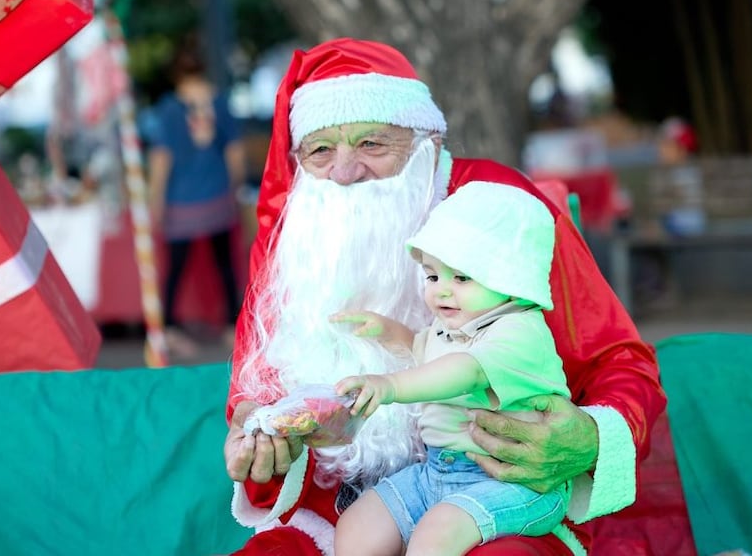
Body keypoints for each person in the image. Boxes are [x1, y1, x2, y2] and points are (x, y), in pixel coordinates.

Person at [224, 38, 666, 555]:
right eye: (321, 150)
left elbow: (620, 360)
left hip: (495, 492)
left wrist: (588, 437)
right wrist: (254, 438)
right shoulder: (294, 233)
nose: (344, 173)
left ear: (425, 143)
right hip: (329, 513)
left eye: (371, 144)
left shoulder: (498, 207)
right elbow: (252, 393)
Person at [332, 181, 573, 555]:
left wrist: (389, 386)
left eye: (461, 277)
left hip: (513, 481)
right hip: (435, 472)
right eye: (433, 276)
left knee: (435, 535)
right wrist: (387, 331)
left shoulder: (520, 331)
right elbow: (423, 352)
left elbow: (465, 372)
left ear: (512, 280)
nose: (441, 290)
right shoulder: (451, 327)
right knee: (358, 525)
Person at [144, 37, 245, 356]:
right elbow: (235, 154)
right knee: (225, 265)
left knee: (175, 268)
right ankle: (232, 327)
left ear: (175, 74)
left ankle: (170, 329)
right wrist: (234, 189)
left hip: (180, 201)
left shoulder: (168, 109)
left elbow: (161, 160)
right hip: (217, 195)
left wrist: (155, 201)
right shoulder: (220, 102)